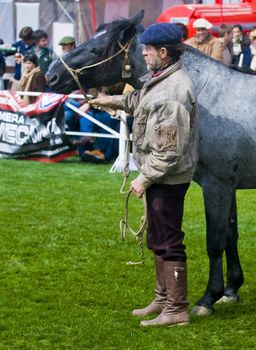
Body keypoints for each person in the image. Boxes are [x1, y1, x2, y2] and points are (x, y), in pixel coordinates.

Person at [88, 22, 198, 327]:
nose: (143, 53)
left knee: (170, 242)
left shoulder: (175, 90)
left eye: (147, 49)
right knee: (158, 238)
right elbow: (140, 101)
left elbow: (169, 151)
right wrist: (109, 100)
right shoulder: (161, 79)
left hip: (167, 176)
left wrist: (143, 178)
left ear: (163, 52)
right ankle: (163, 299)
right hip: (160, 175)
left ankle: (176, 308)